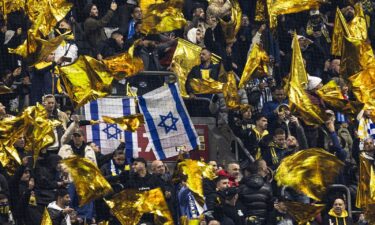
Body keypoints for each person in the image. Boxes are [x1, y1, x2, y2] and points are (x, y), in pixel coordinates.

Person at [238, 160, 273, 225]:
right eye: (266, 167)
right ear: (262, 168)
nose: (267, 170)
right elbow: (270, 208)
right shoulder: (267, 187)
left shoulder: (241, 187)